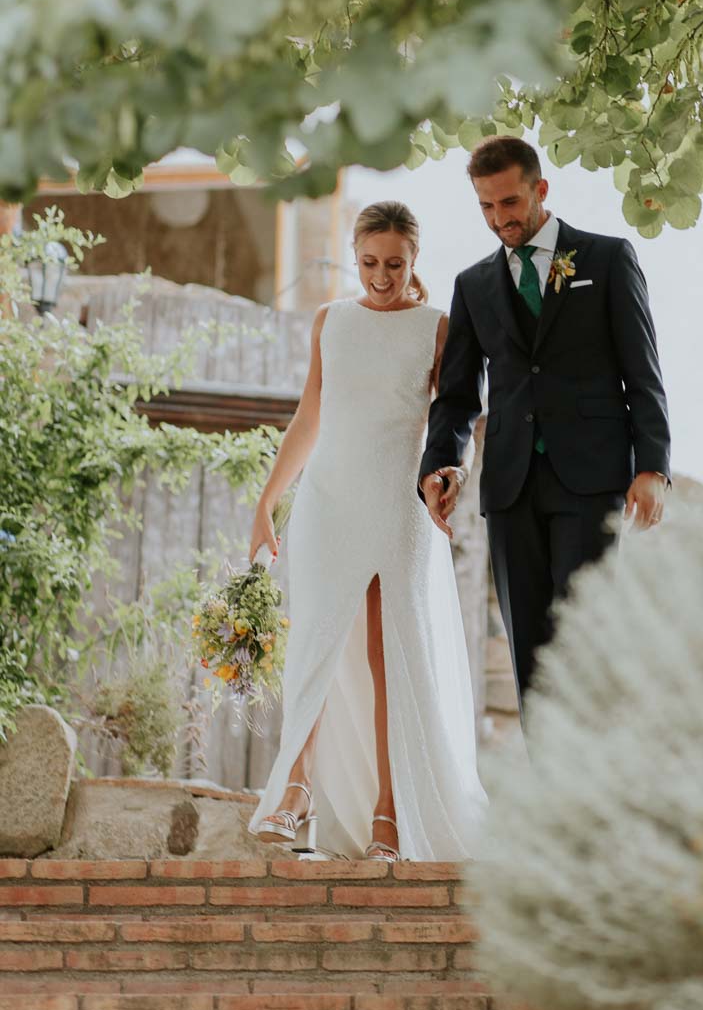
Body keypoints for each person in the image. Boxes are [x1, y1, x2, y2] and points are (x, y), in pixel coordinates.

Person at [247, 202, 487, 861]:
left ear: (414, 260)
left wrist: (449, 476)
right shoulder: (331, 320)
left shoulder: (437, 328)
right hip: (327, 498)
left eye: (395, 264)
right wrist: (269, 499)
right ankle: (295, 789)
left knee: (388, 654)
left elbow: (457, 421)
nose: (381, 277)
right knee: (319, 639)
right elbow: (309, 415)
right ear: (355, 258)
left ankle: (389, 812)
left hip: (395, 500)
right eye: (369, 264)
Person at [420, 136, 671, 704]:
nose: (498, 219)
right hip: (511, 489)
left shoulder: (607, 259)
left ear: (540, 189)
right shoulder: (473, 285)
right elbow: (458, 395)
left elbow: (643, 370)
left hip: (592, 477)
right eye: (486, 206)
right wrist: (440, 462)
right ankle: (546, 791)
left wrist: (653, 465)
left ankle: (596, 785)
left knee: (586, 640)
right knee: (529, 653)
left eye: (509, 203)